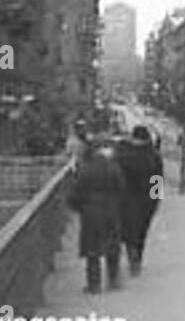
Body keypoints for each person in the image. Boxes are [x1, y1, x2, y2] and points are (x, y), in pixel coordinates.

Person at [67, 138, 127, 294]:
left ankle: (94, 284)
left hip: (91, 212)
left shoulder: (84, 169)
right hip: (111, 210)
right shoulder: (114, 167)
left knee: (92, 249)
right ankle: (113, 280)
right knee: (112, 245)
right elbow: (122, 189)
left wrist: (80, 208)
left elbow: (75, 193)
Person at [114, 126, 164, 277]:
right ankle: (137, 259)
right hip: (146, 200)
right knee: (142, 230)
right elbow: (157, 179)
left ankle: (131, 254)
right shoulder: (154, 155)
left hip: (125, 200)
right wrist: (156, 200)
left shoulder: (121, 154)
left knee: (128, 230)